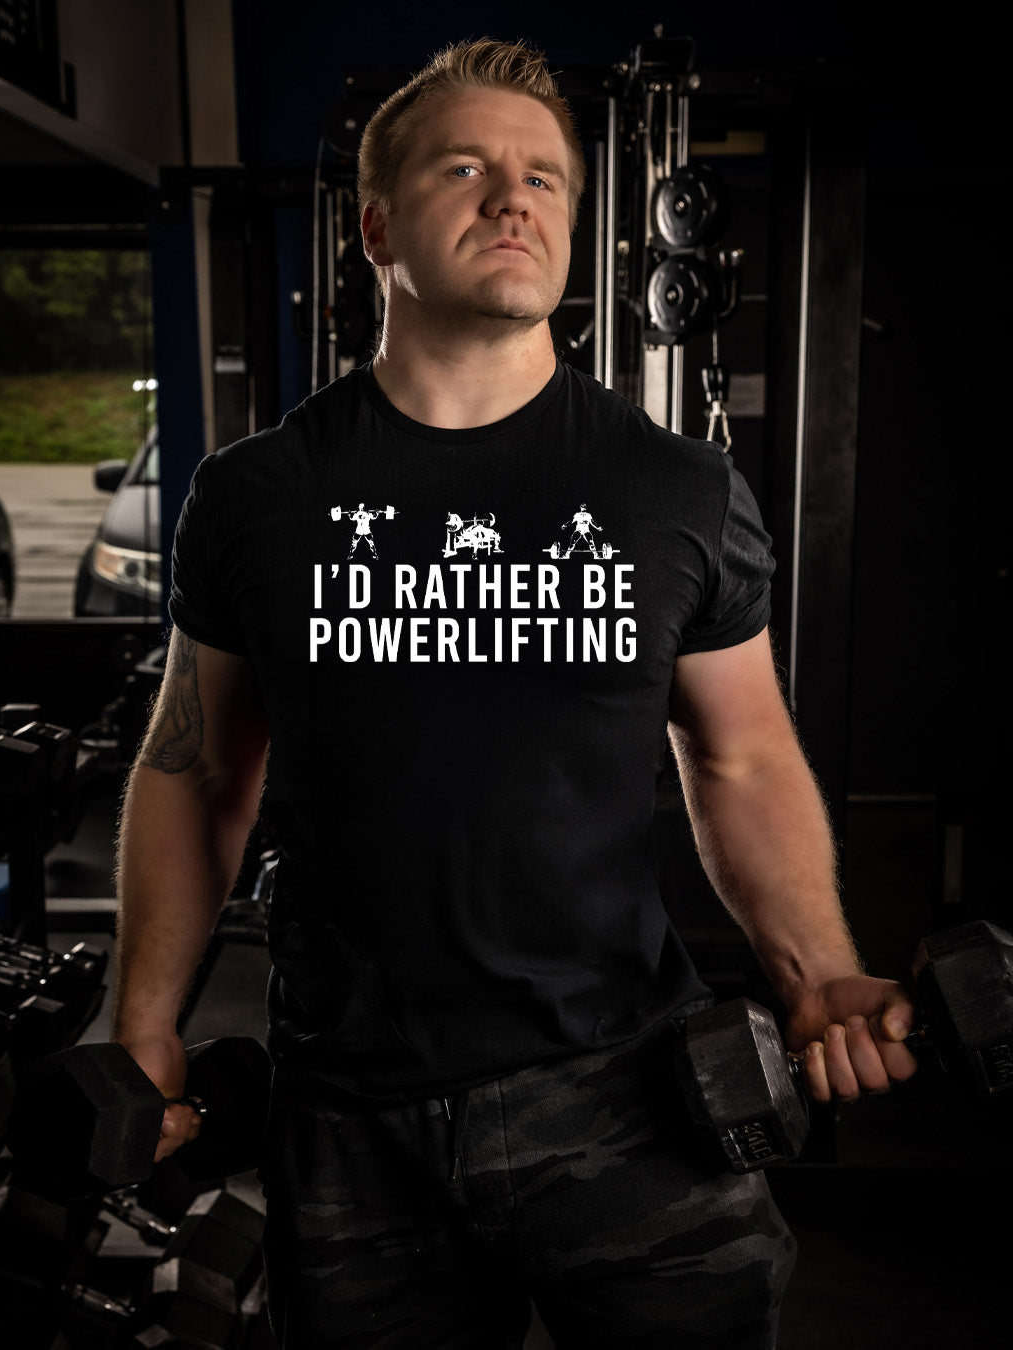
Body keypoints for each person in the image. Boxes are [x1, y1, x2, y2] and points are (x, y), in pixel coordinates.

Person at [112, 37, 918, 1349]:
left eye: (547, 176)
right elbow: (194, 767)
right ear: (376, 225)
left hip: (622, 1090)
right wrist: (143, 1026)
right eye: (468, 166)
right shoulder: (259, 495)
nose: (515, 198)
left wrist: (820, 968)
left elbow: (743, 760)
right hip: (351, 1109)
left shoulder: (677, 490)